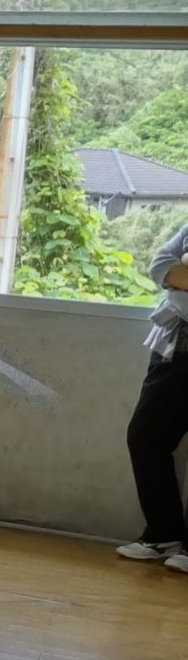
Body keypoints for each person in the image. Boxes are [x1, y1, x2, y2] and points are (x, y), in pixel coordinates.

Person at [120, 217, 188, 572]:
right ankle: (164, 534)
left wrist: (183, 272)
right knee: (145, 436)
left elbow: (176, 271)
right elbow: (161, 266)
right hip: (175, 342)